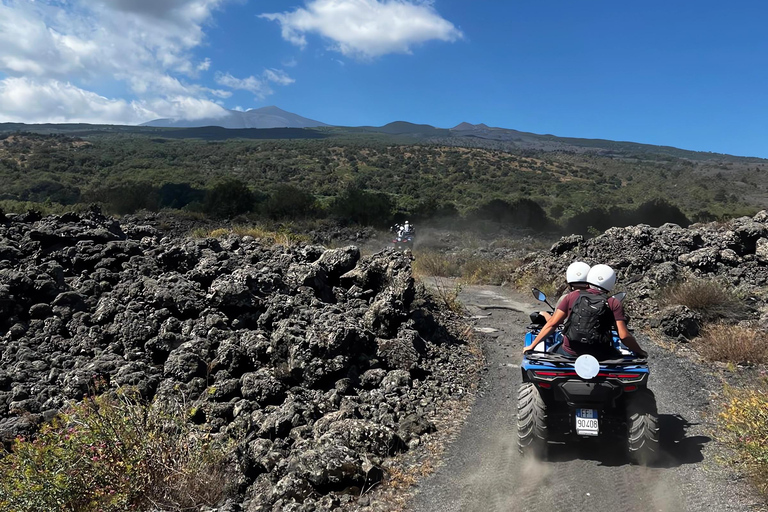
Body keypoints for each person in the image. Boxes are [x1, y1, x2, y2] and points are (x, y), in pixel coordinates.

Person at [525, 264, 648, 359]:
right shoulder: (613, 302)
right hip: (601, 354)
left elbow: (552, 324)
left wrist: (532, 346)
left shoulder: (571, 296)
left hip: (570, 352)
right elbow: (624, 336)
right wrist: (640, 351)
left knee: (550, 352)